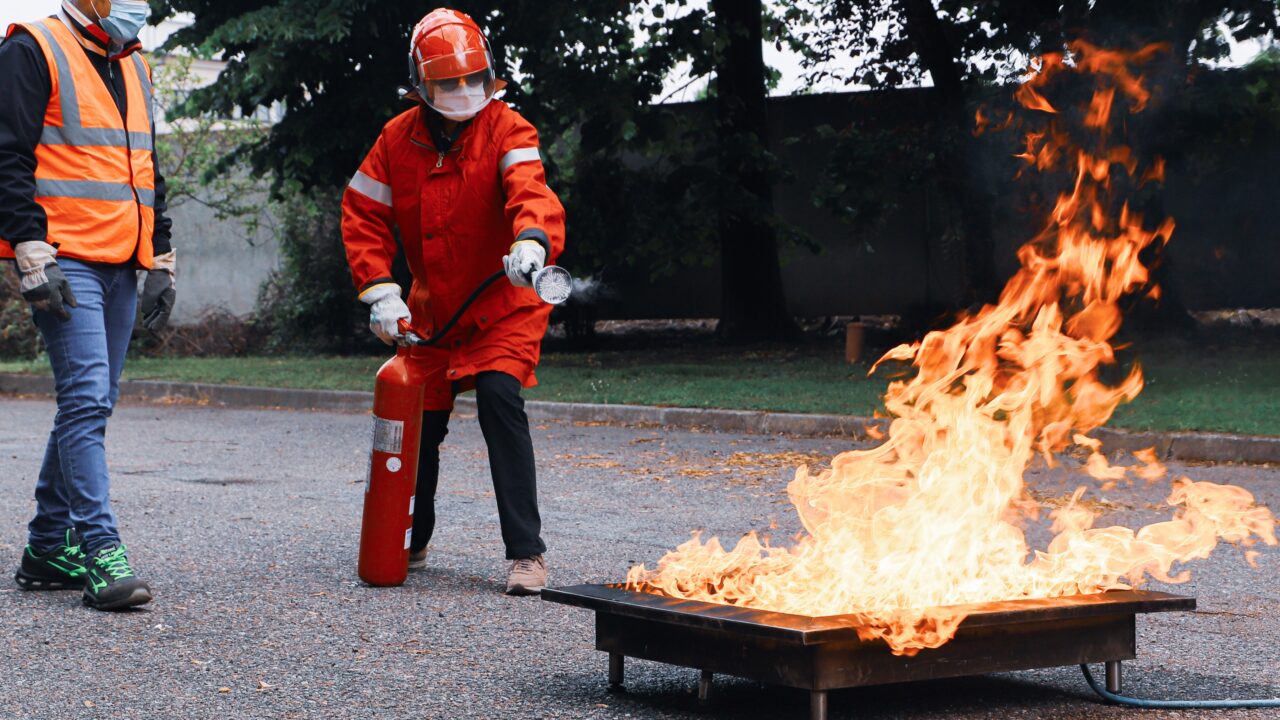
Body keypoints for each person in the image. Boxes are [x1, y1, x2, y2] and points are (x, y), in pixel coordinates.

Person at [341, 8, 564, 595]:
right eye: (448, 82)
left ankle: (526, 555)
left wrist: (531, 241)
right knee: (423, 419)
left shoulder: (508, 130)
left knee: (498, 399)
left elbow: (531, 194)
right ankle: (410, 539)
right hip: (433, 311)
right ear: (421, 83)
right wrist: (381, 291)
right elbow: (362, 215)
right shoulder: (396, 139)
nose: (463, 92)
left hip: (504, 306)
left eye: (472, 79)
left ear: (489, 77)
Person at [1, 0, 176, 610]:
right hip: (63, 254)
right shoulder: (32, 48)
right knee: (84, 397)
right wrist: (29, 250)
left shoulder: (134, 64)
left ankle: (48, 546)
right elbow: (7, 155)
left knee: (94, 400)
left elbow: (146, 165)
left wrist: (161, 257)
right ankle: (101, 550)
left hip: (125, 258)